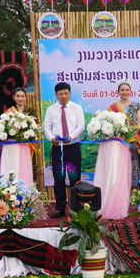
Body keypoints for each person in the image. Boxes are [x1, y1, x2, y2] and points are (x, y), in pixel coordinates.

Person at [43, 82, 85, 218]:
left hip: (72, 148)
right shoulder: (51, 110)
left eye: (66, 93)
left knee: (74, 178)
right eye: (60, 94)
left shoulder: (77, 108)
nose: (63, 96)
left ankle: (76, 208)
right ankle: (60, 208)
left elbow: (81, 126)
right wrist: (51, 138)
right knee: (59, 179)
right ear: (56, 95)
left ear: (70, 93)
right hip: (57, 149)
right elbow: (46, 127)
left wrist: (71, 136)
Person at [108, 81, 140, 187]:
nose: (125, 92)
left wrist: (130, 131)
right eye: (122, 90)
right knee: (119, 166)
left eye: (127, 90)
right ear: (118, 92)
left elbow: (139, 124)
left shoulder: (136, 105)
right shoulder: (113, 107)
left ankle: (134, 191)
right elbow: (111, 124)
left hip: (132, 140)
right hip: (119, 141)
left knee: (134, 165)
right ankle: (120, 189)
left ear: (131, 92)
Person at [0, 87, 34, 185]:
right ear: (13, 97)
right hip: (11, 145)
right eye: (18, 96)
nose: (20, 98)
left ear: (25, 98)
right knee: (11, 166)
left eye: (22, 96)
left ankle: (25, 192)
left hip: (24, 145)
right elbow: (3, 127)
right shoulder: (9, 112)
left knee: (24, 166)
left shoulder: (30, 113)